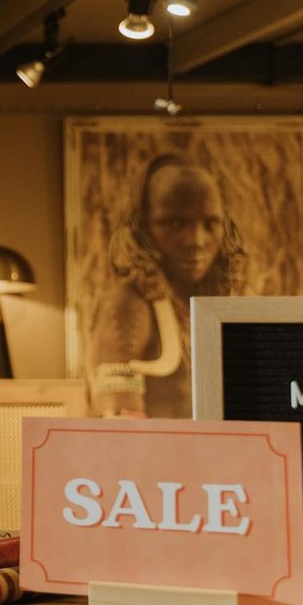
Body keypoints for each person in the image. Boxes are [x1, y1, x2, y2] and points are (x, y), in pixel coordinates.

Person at [89, 153, 244, 418]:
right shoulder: (127, 304)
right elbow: (117, 428)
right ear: (142, 228)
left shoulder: (221, 306)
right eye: (175, 223)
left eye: (210, 223)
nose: (196, 240)